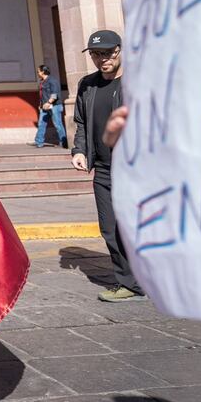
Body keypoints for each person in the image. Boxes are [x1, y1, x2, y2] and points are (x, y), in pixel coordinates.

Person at [71, 30, 144, 302]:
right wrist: (79, 150)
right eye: (97, 54)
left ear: (119, 51)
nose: (103, 59)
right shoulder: (87, 85)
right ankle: (129, 282)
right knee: (111, 228)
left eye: (108, 53)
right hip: (103, 169)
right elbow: (80, 122)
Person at [31, 64, 67, 148]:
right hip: (44, 107)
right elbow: (42, 94)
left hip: (55, 106)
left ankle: (64, 142)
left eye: (38, 71)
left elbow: (54, 94)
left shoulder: (52, 81)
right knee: (41, 123)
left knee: (57, 124)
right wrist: (41, 105)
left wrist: (49, 103)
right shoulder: (42, 81)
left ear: (43, 71)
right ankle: (39, 142)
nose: (37, 72)